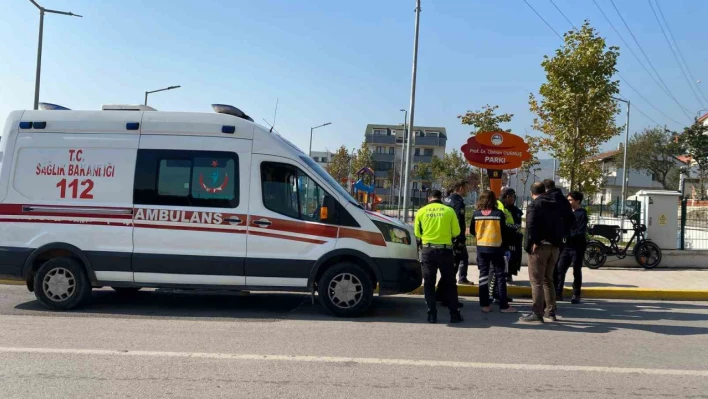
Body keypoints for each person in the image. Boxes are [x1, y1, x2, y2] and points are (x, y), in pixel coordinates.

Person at [414, 190, 464, 324]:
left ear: (429, 198)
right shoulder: (449, 211)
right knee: (450, 283)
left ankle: (432, 315)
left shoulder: (421, 211)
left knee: (429, 283)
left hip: (428, 250)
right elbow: (457, 232)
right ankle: (454, 314)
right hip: (445, 251)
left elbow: (417, 233)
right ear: (440, 198)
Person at [519, 182, 565, 324]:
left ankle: (537, 313)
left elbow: (531, 225)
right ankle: (550, 312)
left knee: (536, 282)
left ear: (532, 193)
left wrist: (534, 242)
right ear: (544, 191)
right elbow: (564, 222)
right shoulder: (556, 204)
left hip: (540, 248)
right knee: (548, 280)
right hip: (554, 247)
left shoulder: (535, 205)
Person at [470, 190, 517, 314]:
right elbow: (504, 232)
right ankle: (503, 306)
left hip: (481, 248)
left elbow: (471, 230)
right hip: (497, 248)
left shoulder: (476, 214)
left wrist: (481, 236)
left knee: (483, 276)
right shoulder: (498, 214)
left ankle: (484, 305)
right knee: (500, 276)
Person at [555, 191, 588, 304]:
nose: (569, 202)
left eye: (570, 200)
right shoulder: (566, 212)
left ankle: (576, 294)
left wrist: (568, 235)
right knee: (560, 268)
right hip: (566, 246)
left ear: (577, 201)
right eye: (568, 200)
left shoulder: (582, 213)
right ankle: (558, 292)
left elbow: (580, 230)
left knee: (576, 270)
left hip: (577, 246)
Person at [489, 188, 517, 302]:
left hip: (502, 240)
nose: (513, 199)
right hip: (500, 241)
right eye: (513, 197)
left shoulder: (503, 207)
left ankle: (497, 294)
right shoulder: (500, 207)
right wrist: (512, 228)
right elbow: (501, 224)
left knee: (499, 270)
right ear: (507, 196)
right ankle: (495, 295)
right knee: (497, 271)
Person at [443, 181, 473, 285]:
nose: (466, 190)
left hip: (446, 234)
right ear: (461, 188)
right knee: (463, 257)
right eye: (465, 188)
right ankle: (462, 278)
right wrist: (460, 236)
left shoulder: (447, 199)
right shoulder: (458, 202)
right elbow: (459, 220)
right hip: (456, 236)